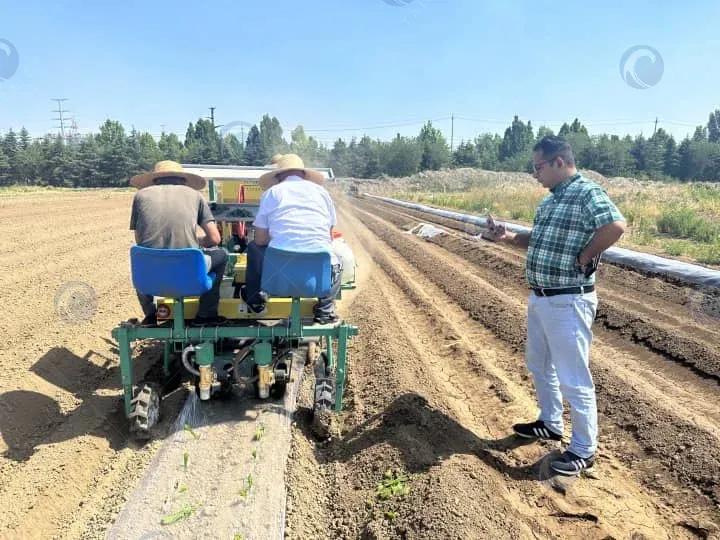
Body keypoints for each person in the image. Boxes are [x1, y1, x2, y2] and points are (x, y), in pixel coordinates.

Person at [483, 135, 626, 476]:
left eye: (539, 167)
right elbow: (540, 239)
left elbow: (615, 225)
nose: (536, 175)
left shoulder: (586, 192)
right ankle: (550, 422)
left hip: (568, 299)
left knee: (573, 376)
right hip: (541, 296)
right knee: (539, 363)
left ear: (559, 162)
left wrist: (587, 254)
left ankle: (583, 449)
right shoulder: (550, 200)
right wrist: (506, 237)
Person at [241, 154, 342, 324]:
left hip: (279, 275)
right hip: (315, 273)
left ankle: (255, 300)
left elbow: (259, 240)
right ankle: (325, 310)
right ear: (303, 174)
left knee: (253, 248)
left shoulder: (271, 193)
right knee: (337, 258)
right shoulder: (322, 193)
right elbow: (329, 236)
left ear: (279, 175)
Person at [129, 160, 229, 326]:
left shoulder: (140, 196)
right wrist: (197, 243)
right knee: (222, 255)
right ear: (183, 179)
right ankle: (206, 314)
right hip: (189, 272)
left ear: (155, 180)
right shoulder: (195, 195)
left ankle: (151, 315)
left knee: (140, 257)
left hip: (150, 276)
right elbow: (215, 239)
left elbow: (140, 240)